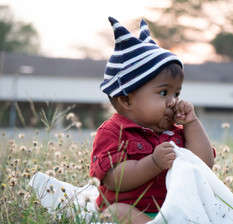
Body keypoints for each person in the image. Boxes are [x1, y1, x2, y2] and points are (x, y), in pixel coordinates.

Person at [89, 17, 215, 224]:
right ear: (127, 100)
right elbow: (113, 180)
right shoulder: (113, 132)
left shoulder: (175, 132)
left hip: (176, 211)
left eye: (177, 93)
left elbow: (204, 164)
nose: (173, 102)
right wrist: (153, 163)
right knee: (114, 214)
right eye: (164, 92)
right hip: (134, 212)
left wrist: (191, 123)